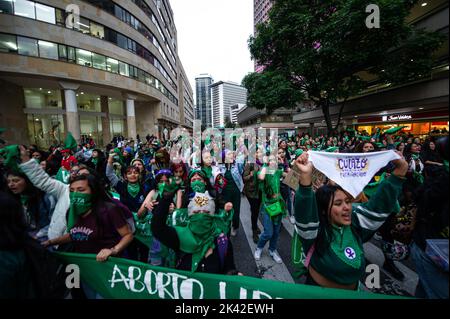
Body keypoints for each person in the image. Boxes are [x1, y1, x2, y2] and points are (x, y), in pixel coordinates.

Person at [293, 151, 408, 290]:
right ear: (323, 210)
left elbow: (377, 207)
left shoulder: (356, 223)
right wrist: (305, 178)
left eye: (348, 201)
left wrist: (400, 172)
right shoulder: (315, 231)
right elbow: (305, 212)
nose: (346, 207)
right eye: (338, 203)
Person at [42, 174, 134, 298]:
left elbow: (128, 235)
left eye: (81, 190)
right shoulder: (72, 211)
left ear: (93, 191)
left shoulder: (109, 210)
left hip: (107, 268)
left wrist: (113, 250)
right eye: (72, 191)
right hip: (85, 269)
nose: (75, 194)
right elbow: (76, 234)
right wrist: (52, 242)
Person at [150, 170, 240, 275]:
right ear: (190, 215)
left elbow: (229, 268)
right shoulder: (180, 237)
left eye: (206, 212)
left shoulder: (222, 241)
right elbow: (157, 228)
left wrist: (234, 274)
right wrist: (165, 199)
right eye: (196, 212)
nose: (201, 215)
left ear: (212, 215)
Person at [254, 154, 286, 264]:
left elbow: (291, 176)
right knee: (268, 232)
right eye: (271, 160)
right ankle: (259, 248)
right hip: (267, 206)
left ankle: (272, 250)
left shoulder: (277, 172)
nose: (273, 162)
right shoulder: (263, 171)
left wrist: (290, 165)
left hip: (277, 205)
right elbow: (261, 177)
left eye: (275, 160)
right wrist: (265, 164)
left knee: (276, 232)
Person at [243, 149, 263, 243]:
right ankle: (254, 231)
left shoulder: (263, 163)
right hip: (251, 192)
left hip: (260, 190)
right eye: (257, 152)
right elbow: (244, 178)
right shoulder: (249, 164)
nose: (259, 154)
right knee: (254, 211)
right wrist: (250, 175)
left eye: (260, 152)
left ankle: (255, 225)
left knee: (256, 209)